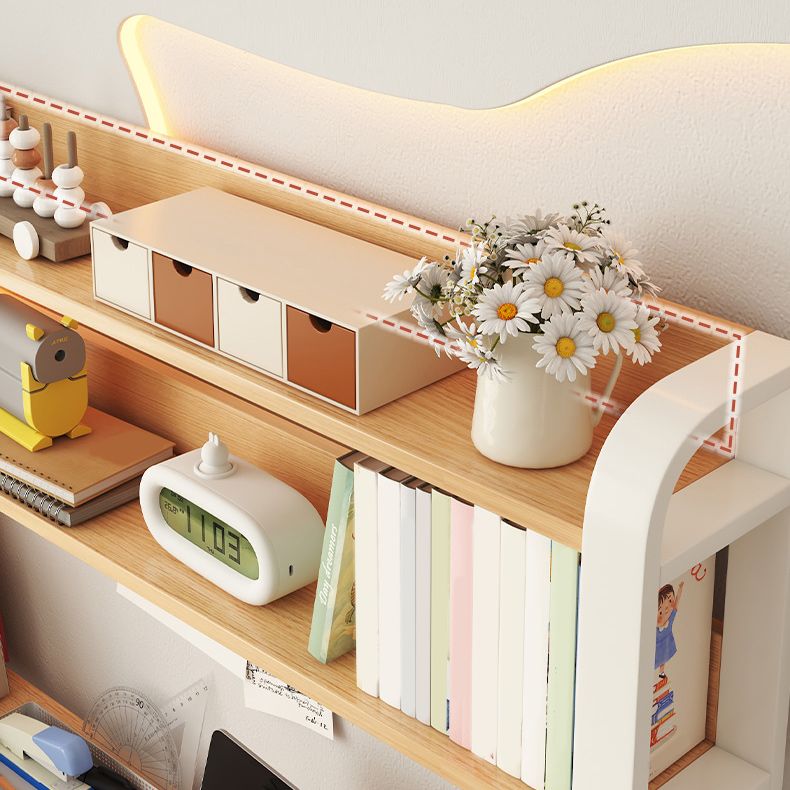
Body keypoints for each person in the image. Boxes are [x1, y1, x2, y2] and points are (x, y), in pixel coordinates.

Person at [655, 580, 684, 679]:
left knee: (663, 660)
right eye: (660, 612)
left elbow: (676, 604)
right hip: (657, 650)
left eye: (670, 602)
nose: (666, 610)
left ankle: (661, 672)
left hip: (666, 646)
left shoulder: (670, 619)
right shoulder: (654, 628)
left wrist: (680, 589)